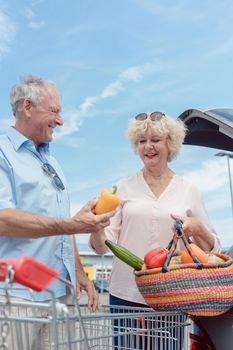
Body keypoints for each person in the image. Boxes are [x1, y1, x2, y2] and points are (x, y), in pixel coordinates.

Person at [90, 111, 221, 349]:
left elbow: (213, 248)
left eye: (155, 140)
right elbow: (101, 246)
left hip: (171, 295)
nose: (148, 147)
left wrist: (197, 228)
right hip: (126, 295)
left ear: (170, 143)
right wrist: (95, 224)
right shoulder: (123, 187)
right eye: (142, 141)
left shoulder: (188, 190)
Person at [0, 76, 115, 348]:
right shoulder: (3, 153)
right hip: (16, 297)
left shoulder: (51, 161)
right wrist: (73, 225)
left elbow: (64, 224)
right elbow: (3, 219)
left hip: (60, 294)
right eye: (54, 111)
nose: (60, 120)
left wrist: (80, 274)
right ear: (28, 106)